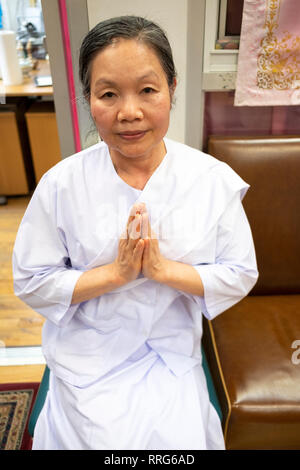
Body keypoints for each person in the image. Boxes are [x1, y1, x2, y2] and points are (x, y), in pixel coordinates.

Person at [12, 16, 258, 450]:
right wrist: (117, 275)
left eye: (147, 90)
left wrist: (162, 270)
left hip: (171, 353)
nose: (130, 112)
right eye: (108, 94)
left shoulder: (211, 180)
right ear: (88, 100)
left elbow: (239, 272)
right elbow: (32, 278)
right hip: (88, 353)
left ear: (172, 88)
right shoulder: (61, 185)